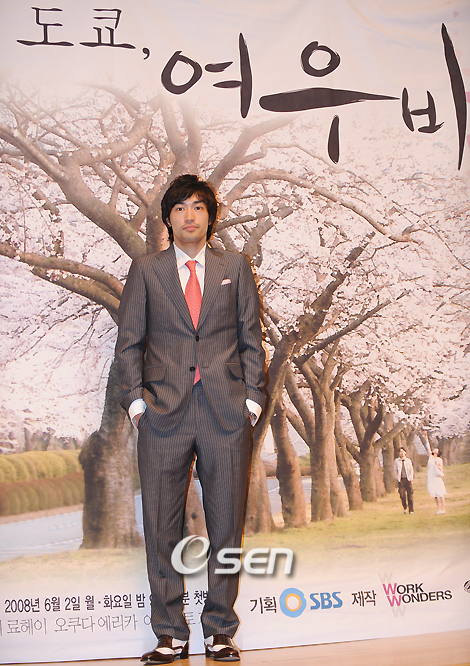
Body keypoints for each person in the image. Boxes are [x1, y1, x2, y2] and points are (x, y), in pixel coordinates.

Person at [116, 174, 266, 664]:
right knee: (162, 525)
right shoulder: (146, 270)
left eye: (198, 207)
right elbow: (129, 342)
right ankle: (170, 633)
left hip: (225, 411)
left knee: (225, 526)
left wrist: (252, 401)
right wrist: (136, 405)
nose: (189, 215)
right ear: (167, 218)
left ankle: (220, 630)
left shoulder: (235, 267)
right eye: (179, 207)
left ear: (210, 216)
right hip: (162, 412)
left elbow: (250, 338)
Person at [393, 447, 414, 514]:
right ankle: (405, 507)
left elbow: (411, 470)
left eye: (403, 451)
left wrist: (411, 478)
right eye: (400, 451)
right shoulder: (397, 461)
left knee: (410, 494)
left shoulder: (408, 461)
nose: (401, 453)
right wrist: (397, 478)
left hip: (408, 479)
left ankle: (411, 509)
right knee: (402, 494)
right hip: (401, 480)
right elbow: (395, 470)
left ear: (405, 452)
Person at [427, 447, 446, 514]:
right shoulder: (431, 458)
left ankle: (443, 509)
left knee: (440, 494)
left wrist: (437, 465)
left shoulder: (439, 460)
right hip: (431, 477)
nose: (434, 451)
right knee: (435, 494)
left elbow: (441, 468)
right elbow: (428, 449)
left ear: (438, 452)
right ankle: (439, 509)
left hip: (437, 477)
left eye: (436, 451)